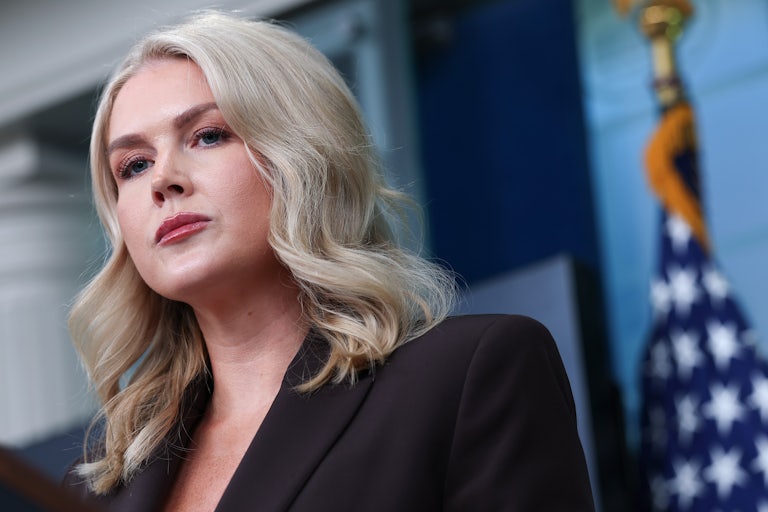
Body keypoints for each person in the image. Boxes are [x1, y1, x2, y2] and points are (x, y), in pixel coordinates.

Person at [63, 10, 595, 512]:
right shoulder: (97, 484)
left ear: (303, 157)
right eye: (133, 166)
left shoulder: (470, 376)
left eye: (207, 135)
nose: (162, 180)